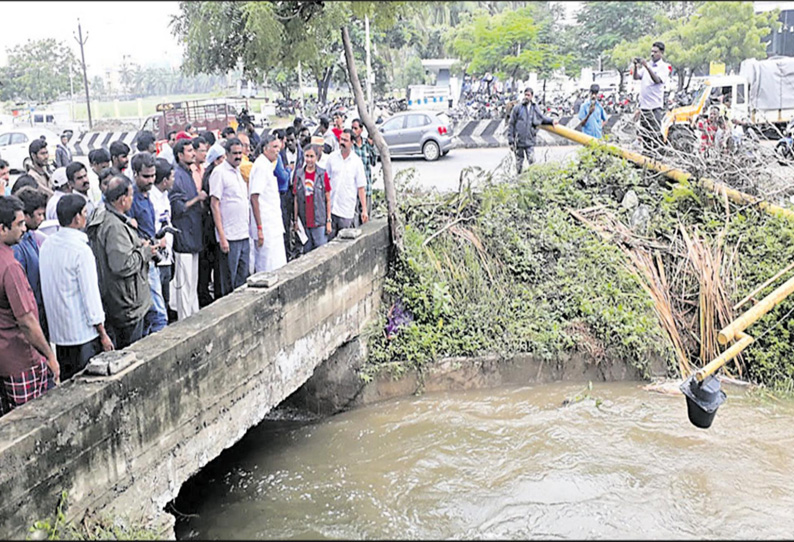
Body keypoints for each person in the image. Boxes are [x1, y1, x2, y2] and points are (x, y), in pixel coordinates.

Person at [40, 194, 113, 381]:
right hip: (82, 334)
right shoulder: (81, 251)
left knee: (68, 382)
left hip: (59, 334)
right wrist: (102, 333)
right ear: (77, 218)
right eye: (85, 213)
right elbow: (91, 297)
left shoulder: (47, 244)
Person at [0, 195, 59, 414]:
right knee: (30, 418)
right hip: (20, 359)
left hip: (7, 357)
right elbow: (26, 321)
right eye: (19, 224)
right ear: (2, 228)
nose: (24, 228)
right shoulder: (10, 266)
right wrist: (50, 356)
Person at [86, 175, 154, 349]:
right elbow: (121, 265)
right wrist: (144, 252)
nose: (132, 199)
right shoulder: (114, 226)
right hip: (126, 303)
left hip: (117, 299)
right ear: (123, 199)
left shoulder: (105, 215)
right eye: (131, 196)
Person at [128, 152, 168, 335]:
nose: (151, 180)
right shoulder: (131, 199)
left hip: (152, 257)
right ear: (135, 174)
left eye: (153, 176)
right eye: (146, 176)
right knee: (158, 315)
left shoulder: (147, 196)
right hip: (142, 262)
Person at [169, 139, 207, 319]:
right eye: (189, 151)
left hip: (194, 236)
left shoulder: (188, 174)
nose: (193, 153)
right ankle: (185, 321)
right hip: (183, 237)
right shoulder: (177, 177)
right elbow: (178, 207)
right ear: (180, 155)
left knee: (193, 283)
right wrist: (197, 199)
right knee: (184, 286)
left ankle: (194, 317)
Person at [209, 138, 250, 296]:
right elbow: (215, 204)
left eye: (240, 153)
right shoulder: (219, 173)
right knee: (227, 282)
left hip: (243, 234)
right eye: (235, 153)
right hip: (229, 237)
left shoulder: (238, 171)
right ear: (226, 154)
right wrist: (222, 236)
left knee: (242, 280)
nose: (238, 156)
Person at [12, 187, 49, 343]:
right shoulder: (17, 247)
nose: (42, 219)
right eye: (39, 214)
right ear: (26, 216)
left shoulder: (31, 237)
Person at [249, 135, 286, 273]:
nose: (278, 150)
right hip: (266, 226)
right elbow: (254, 197)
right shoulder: (261, 166)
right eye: (274, 147)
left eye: (279, 147)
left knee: (278, 265)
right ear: (265, 149)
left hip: (273, 224)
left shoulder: (267, 165)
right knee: (267, 267)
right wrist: (259, 227)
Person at [325, 129, 368, 239]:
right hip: (331, 209)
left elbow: (361, 187)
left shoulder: (356, 162)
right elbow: (326, 180)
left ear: (352, 142)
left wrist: (364, 209)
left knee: (344, 242)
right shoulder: (332, 158)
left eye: (345, 140)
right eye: (341, 139)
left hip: (346, 210)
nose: (342, 142)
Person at [507, 87, 558, 174]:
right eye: (525, 95)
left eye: (528, 95)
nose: (526, 97)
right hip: (519, 140)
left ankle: (532, 178)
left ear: (532, 96)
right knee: (519, 163)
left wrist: (551, 121)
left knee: (532, 161)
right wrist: (511, 141)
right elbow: (511, 124)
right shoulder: (517, 108)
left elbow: (541, 118)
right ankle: (519, 178)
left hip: (529, 140)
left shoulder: (534, 108)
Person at [633, 41, 671, 155]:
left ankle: (657, 154)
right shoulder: (647, 65)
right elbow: (636, 77)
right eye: (652, 51)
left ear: (661, 53)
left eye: (655, 52)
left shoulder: (664, 67)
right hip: (644, 106)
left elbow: (657, 80)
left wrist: (647, 67)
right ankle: (647, 154)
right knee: (645, 133)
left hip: (654, 107)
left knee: (655, 133)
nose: (652, 54)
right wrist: (635, 66)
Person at [199, 144, 225, 307]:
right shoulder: (214, 176)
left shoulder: (210, 174)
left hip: (209, 223)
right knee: (213, 260)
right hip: (211, 224)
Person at [293, 143, 331, 254]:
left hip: (319, 221)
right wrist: (295, 220)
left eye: (311, 156)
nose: (309, 160)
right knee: (307, 252)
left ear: (316, 157)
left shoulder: (322, 174)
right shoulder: (299, 174)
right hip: (304, 221)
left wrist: (328, 220)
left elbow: (327, 198)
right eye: (307, 156)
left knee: (321, 252)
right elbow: (296, 198)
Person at [151, 158, 176, 321]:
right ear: (165, 180)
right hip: (157, 257)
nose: (174, 180)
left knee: (166, 296)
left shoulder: (165, 196)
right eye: (172, 177)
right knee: (158, 298)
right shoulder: (152, 198)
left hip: (167, 255)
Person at [350, 119, 376, 224]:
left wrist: (372, 146)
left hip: (366, 188)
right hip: (354, 189)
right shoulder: (350, 146)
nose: (353, 131)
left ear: (361, 130)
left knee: (366, 219)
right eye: (352, 128)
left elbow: (373, 162)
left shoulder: (367, 144)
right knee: (355, 219)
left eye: (355, 128)